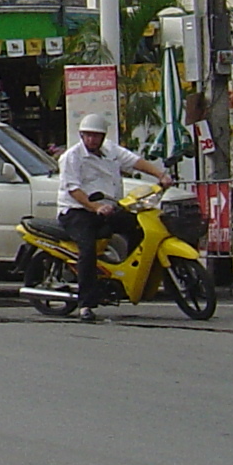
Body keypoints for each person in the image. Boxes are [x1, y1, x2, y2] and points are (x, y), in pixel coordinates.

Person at [56, 112, 171, 321]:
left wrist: (160, 175)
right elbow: (74, 190)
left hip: (108, 207)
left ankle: (128, 279)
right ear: (81, 135)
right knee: (88, 248)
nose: (91, 140)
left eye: (95, 136)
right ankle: (86, 304)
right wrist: (94, 207)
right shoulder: (71, 157)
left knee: (138, 227)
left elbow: (135, 162)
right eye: (87, 135)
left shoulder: (110, 150)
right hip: (77, 211)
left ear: (102, 137)